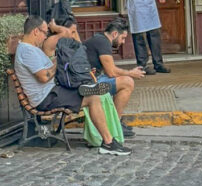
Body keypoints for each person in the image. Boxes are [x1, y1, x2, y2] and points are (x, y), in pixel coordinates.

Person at [13, 15, 130, 157]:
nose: (45, 37)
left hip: (53, 91)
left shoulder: (32, 49)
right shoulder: (27, 51)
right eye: (45, 32)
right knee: (93, 98)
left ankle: (86, 84)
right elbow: (44, 77)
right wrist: (59, 62)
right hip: (46, 97)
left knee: (89, 89)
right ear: (35, 32)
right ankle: (108, 142)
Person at [83, 17, 145, 135]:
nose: (123, 42)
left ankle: (115, 121)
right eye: (123, 38)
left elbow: (109, 72)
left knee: (124, 80)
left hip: (92, 79)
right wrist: (130, 73)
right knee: (127, 82)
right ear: (115, 33)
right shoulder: (103, 42)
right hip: (89, 83)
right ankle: (115, 123)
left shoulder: (100, 39)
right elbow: (111, 72)